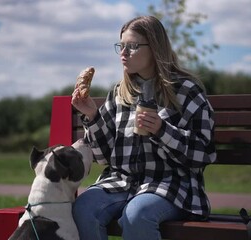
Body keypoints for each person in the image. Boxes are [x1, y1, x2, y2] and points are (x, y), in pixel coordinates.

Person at [71, 15, 216, 240]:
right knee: (83, 208)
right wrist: (91, 115)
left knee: (137, 214)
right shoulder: (120, 94)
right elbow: (102, 157)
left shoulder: (186, 92)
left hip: (171, 185)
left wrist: (162, 130)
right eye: (121, 46)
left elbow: (204, 154)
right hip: (122, 182)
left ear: (155, 48)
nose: (123, 53)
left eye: (132, 46)